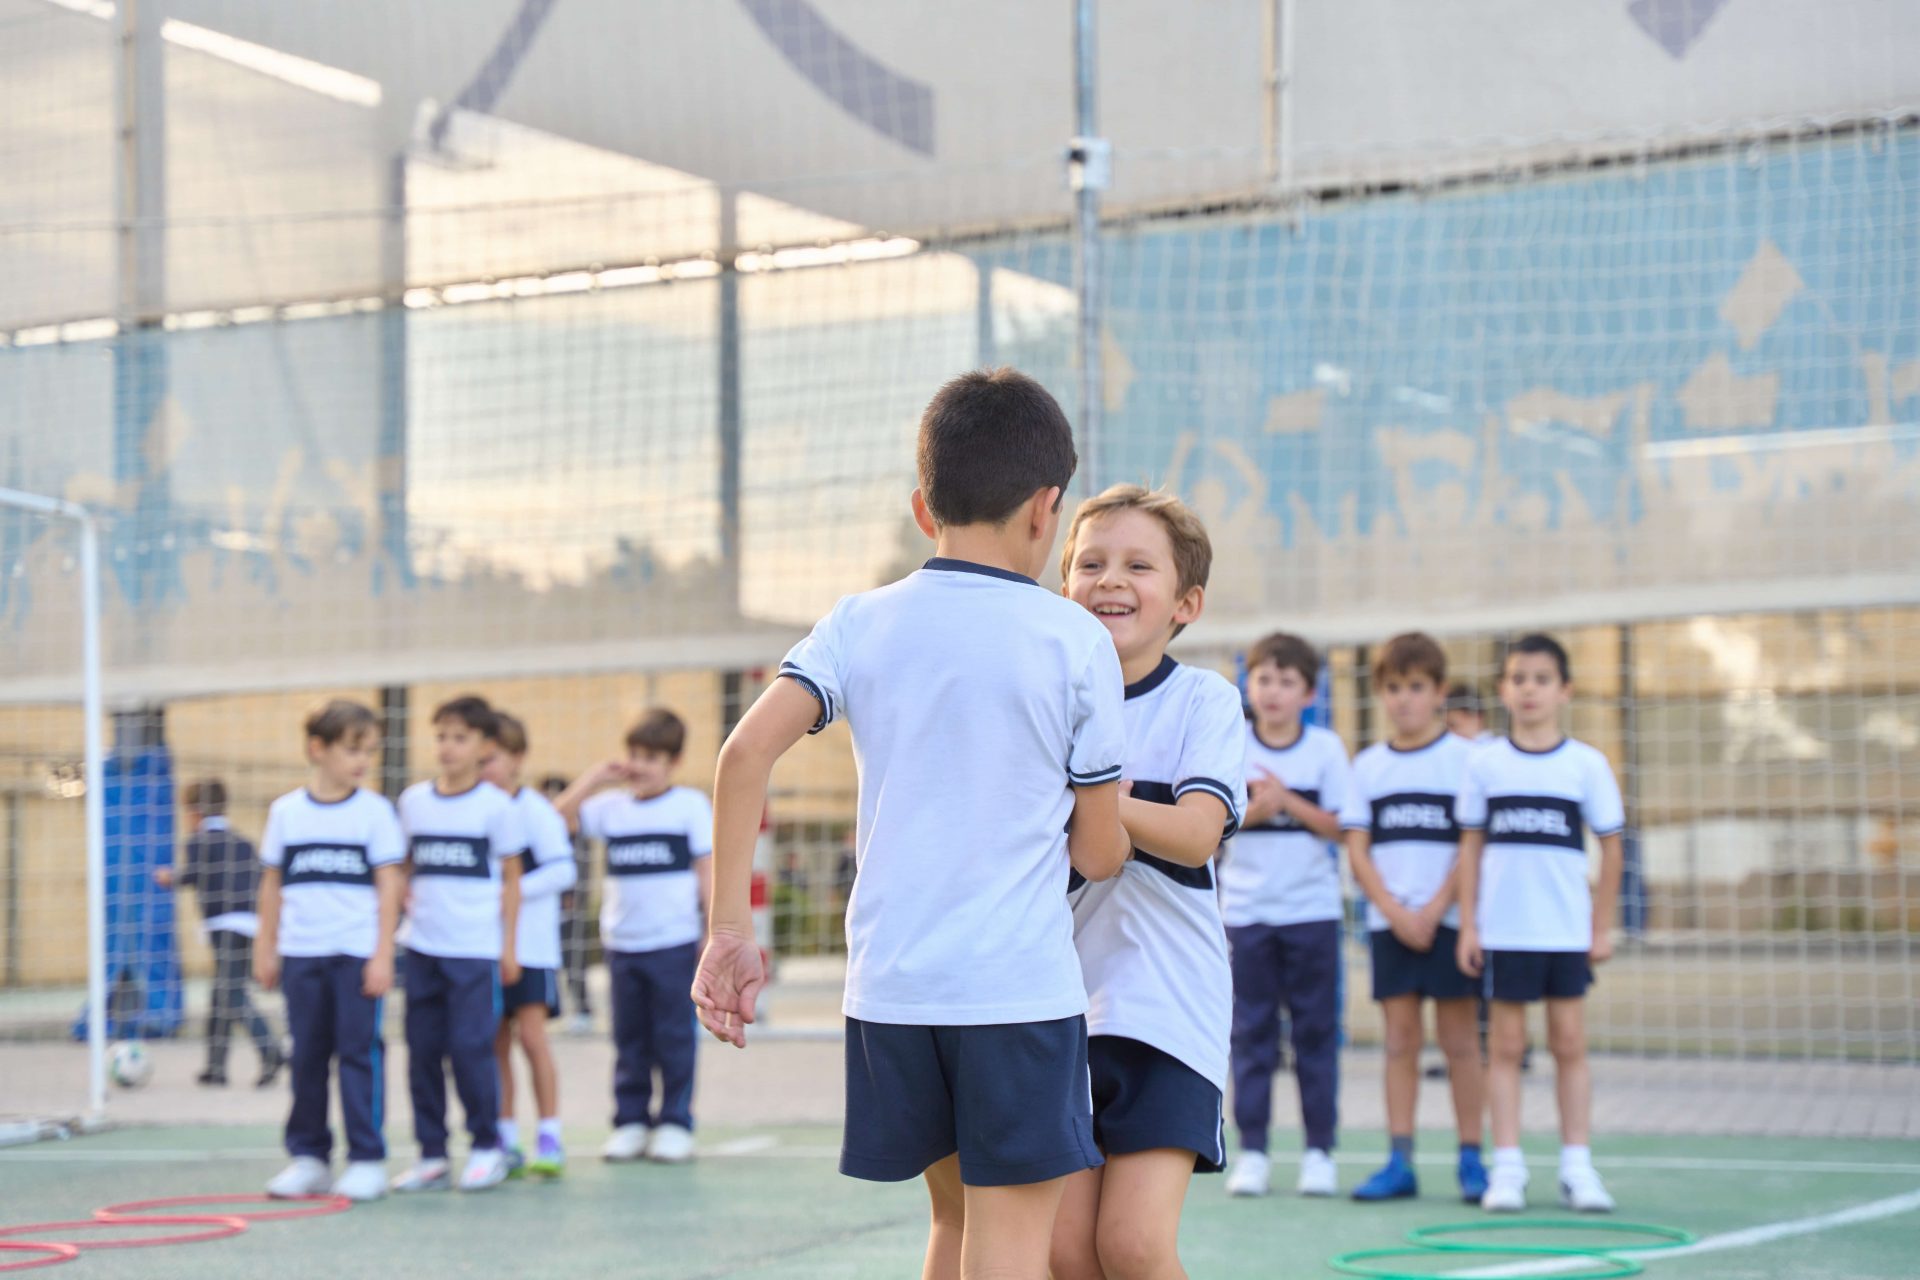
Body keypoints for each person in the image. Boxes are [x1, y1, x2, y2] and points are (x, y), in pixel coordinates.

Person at [692, 367, 1131, 1280]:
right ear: (1048, 510)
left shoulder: (858, 622)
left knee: (953, 1227)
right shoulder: (1074, 638)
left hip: (891, 992)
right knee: (1009, 1251)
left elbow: (741, 757)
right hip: (1013, 995)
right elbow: (1098, 849)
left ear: (924, 508)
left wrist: (729, 929)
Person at [1050, 485, 1246, 1280]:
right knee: (1066, 1253)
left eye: (1138, 565)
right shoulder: (1043, 703)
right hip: (1057, 1009)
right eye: (1090, 563)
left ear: (1186, 603)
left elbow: (1199, 831)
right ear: (1062, 588)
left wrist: (1098, 798)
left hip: (1168, 1009)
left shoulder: (1203, 699)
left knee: (1130, 1246)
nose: (1110, 580)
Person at [1456, 633, 1625, 1214]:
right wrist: (1471, 927)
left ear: (1564, 690)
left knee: (1570, 1044)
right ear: (1503, 689)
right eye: (1518, 678)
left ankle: (1578, 1166)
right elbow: (1472, 848)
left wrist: (1600, 929)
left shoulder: (1587, 765)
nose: (1529, 689)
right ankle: (1508, 1167)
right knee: (1504, 1047)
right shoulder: (1485, 763)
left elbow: (1613, 847)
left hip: (1565, 933)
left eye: (1542, 679)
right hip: (1505, 933)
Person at [1341, 634, 1486, 1203]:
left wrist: (1435, 909)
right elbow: (1357, 848)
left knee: (1459, 1044)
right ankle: (1400, 1161)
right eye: (1394, 689)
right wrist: (1395, 911)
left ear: (1440, 692)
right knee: (1400, 1042)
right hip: (1390, 926)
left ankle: (1472, 1159)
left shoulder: (1467, 760)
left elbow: (1472, 844)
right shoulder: (1371, 766)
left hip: (1449, 925)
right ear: (1381, 693)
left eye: (1417, 688)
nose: (1405, 700)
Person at [253, 699, 405, 1202]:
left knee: (359, 1055)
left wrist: (382, 954)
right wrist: (266, 947)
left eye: (369, 751)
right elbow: (272, 884)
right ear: (318, 749)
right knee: (307, 1056)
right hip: (302, 954)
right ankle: (309, 1157)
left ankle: (367, 1158)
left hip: (355, 955)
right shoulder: (286, 813)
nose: (362, 760)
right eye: (351, 749)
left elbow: (390, 887)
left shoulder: (375, 813)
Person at [1219, 632, 1353, 1199]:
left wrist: (1288, 801)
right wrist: (1253, 809)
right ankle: (1254, 1151)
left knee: (1316, 1035)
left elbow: (1343, 827)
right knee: (1250, 1035)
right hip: (1245, 915)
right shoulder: (1229, 741)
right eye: (1264, 678)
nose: (1273, 691)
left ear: (1309, 693)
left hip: (1312, 913)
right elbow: (1211, 823)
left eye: (1287, 681)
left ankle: (1319, 1151)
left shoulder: (1324, 749)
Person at [555, 709, 711, 1165]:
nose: (642, 765)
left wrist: (711, 931)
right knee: (629, 1038)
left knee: (674, 1036)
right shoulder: (610, 808)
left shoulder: (690, 807)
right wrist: (595, 779)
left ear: (674, 762)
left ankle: (675, 1123)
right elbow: (555, 819)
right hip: (623, 946)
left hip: (675, 943)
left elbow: (707, 869)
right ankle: (630, 1121)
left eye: (653, 757)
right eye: (635, 755)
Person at [391, 694, 527, 1194]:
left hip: (474, 951)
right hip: (421, 949)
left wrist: (508, 947)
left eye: (460, 738)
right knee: (422, 1052)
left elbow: (512, 880)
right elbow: (401, 867)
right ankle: (431, 1153)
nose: (448, 747)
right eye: (441, 736)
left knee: (472, 1049)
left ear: (484, 747)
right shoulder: (412, 803)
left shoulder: (497, 807)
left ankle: (486, 1146)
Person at [483, 714, 579, 1178]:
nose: (484, 768)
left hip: (532, 950)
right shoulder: (476, 809)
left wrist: (512, 892)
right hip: (486, 948)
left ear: (516, 759)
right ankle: (504, 1139)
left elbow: (564, 871)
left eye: (492, 759)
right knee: (494, 1043)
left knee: (533, 1039)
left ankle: (550, 1135)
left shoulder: (535, 811)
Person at [157, 778, 282, 1088]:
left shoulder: (198, 840)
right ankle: (215, 1067)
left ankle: (271, 1051)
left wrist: (171, 878)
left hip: (223, 925)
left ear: (195, 812)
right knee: (220, 995)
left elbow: (195, 873)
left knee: (231, 994)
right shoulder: (242, 841)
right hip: (249, 924)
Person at [539, 773, 596, 1036]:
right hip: (546, 905)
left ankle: (583, 1011)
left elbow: (583, 867)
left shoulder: (574, 827)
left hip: (568, 903)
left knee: (573, 960)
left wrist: (573, 897)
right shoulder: (541, 829)